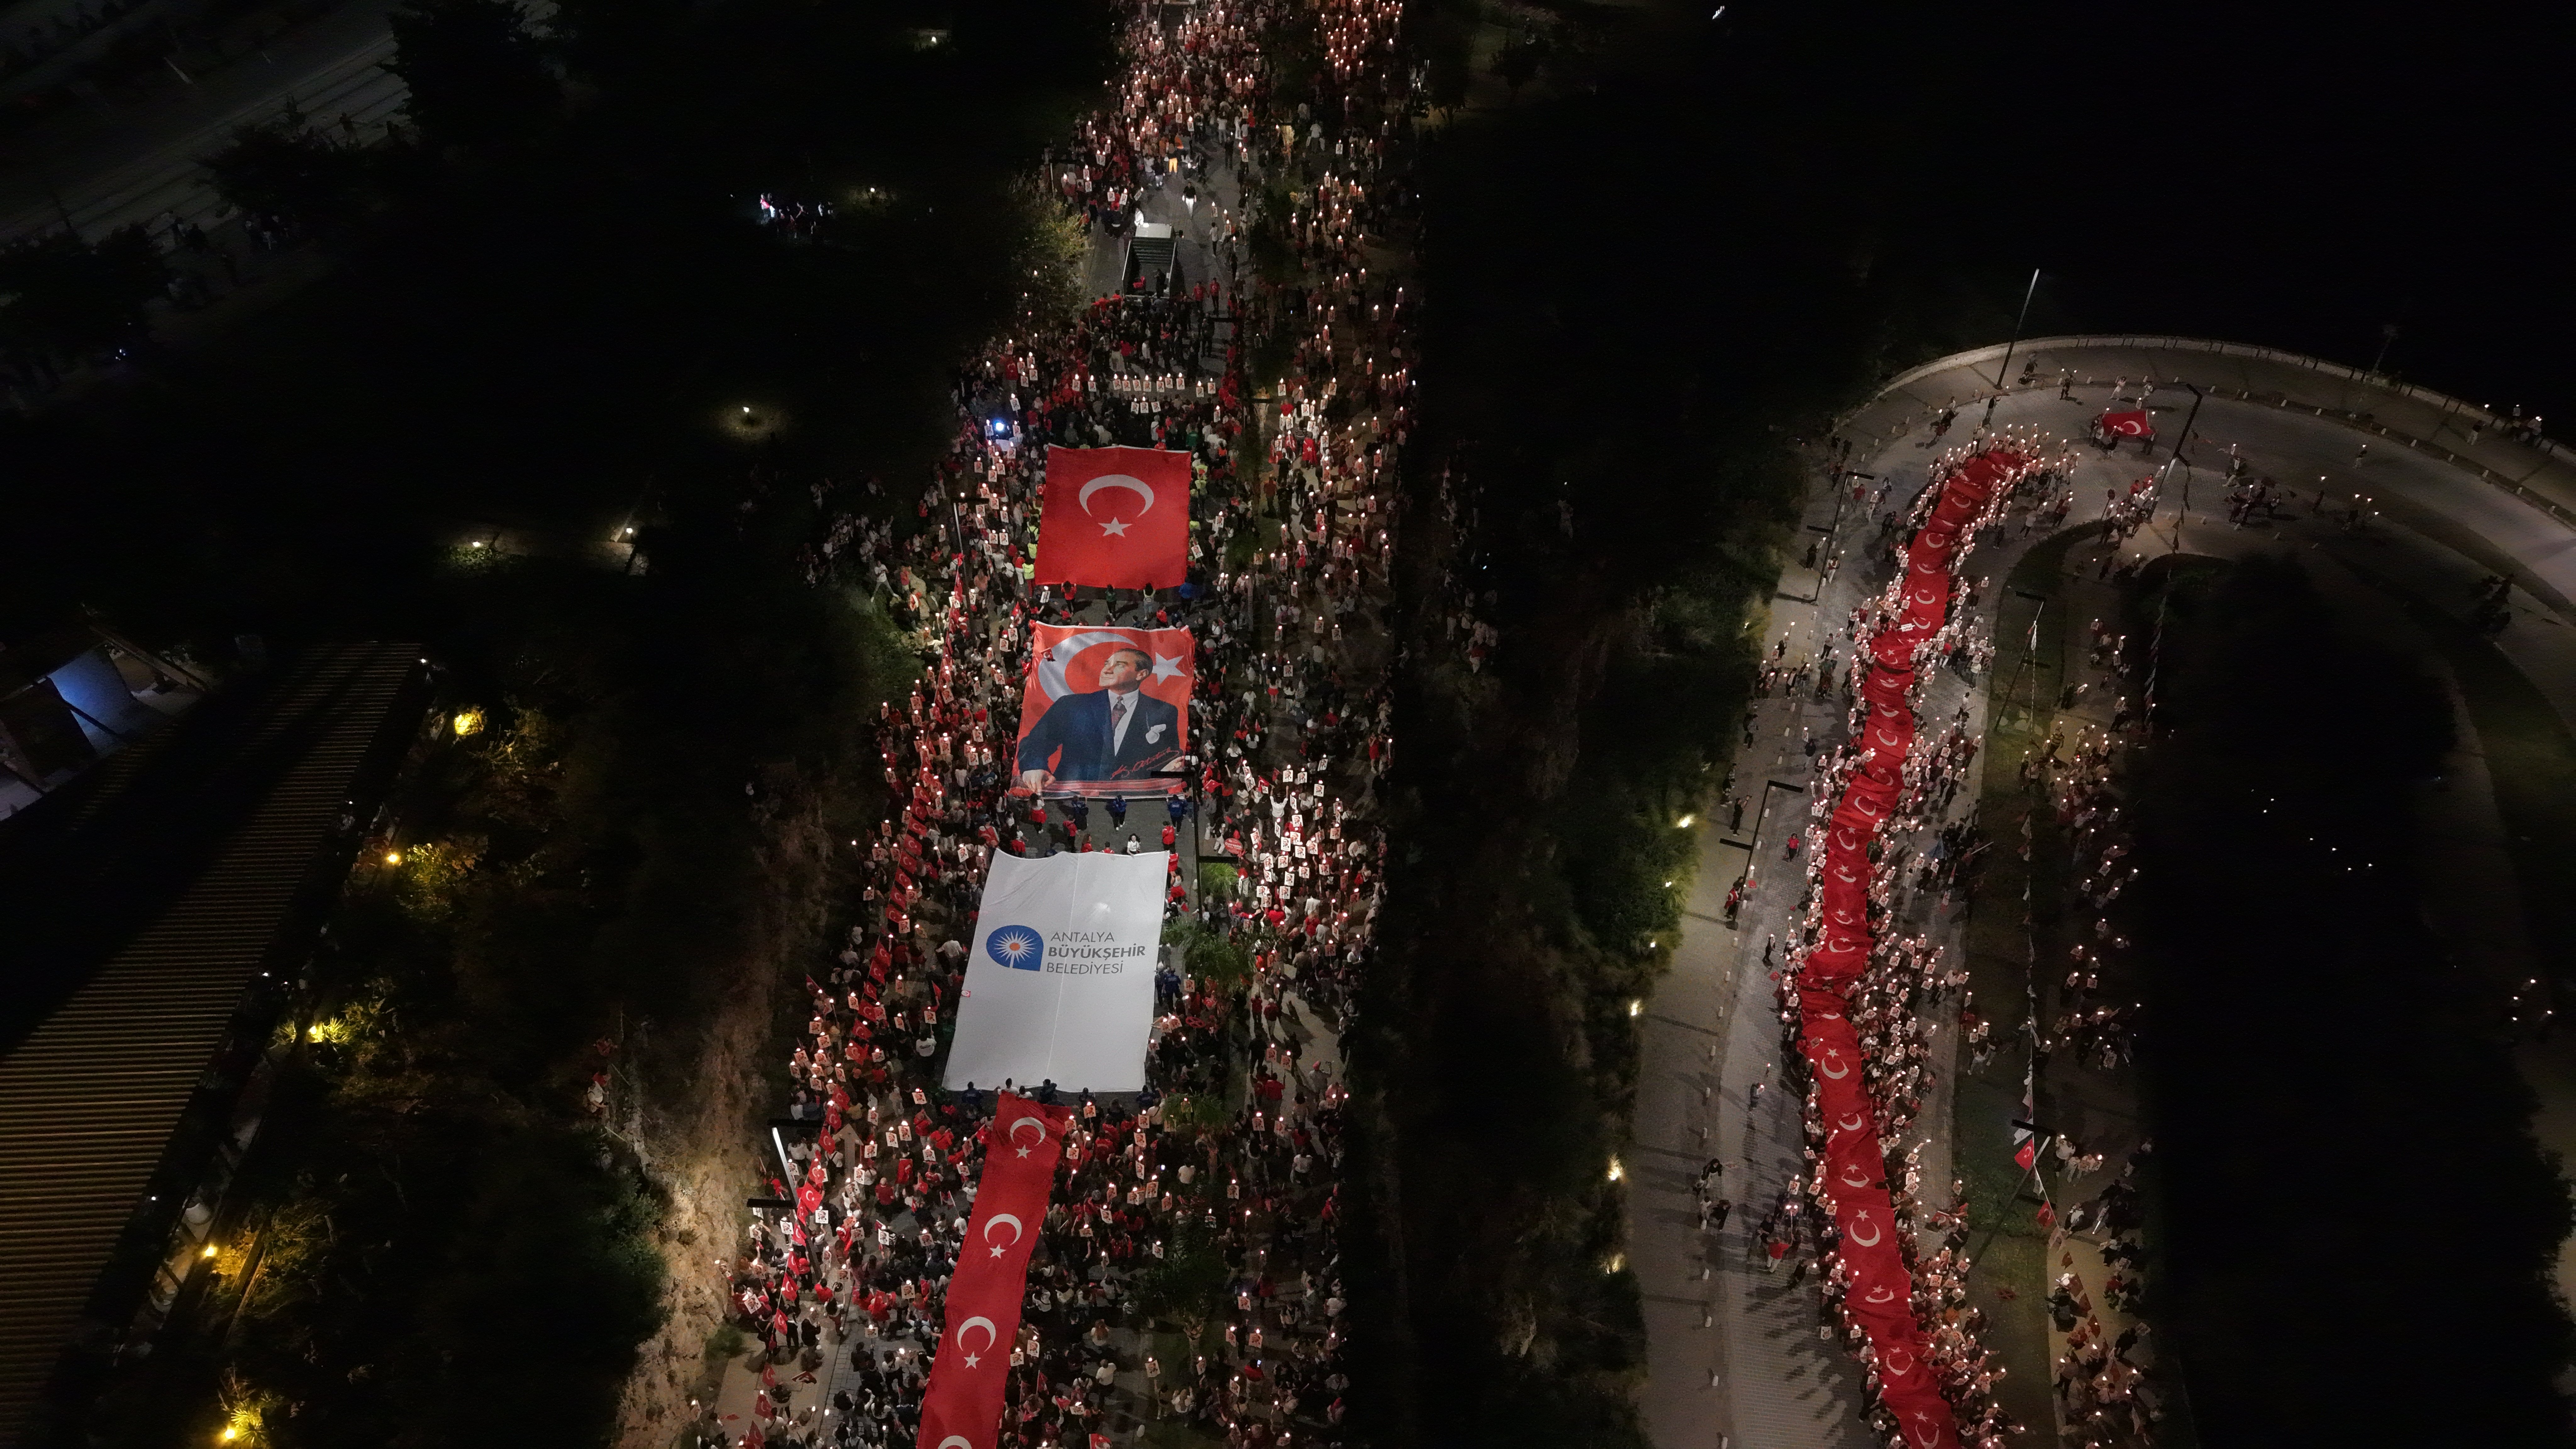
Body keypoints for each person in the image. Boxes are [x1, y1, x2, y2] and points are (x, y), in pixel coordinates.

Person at [1018, 646, 1184, 789]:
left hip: (1135, 801)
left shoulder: (1164, 711)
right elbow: (1036, 742)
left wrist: (1167, 772)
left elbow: (1167, 758)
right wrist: (1034, 768)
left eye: (1119, 665)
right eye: (1107, 664)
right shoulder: (1071, 705)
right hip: (1072, 798)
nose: (1106, 670)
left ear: (1141, 674)